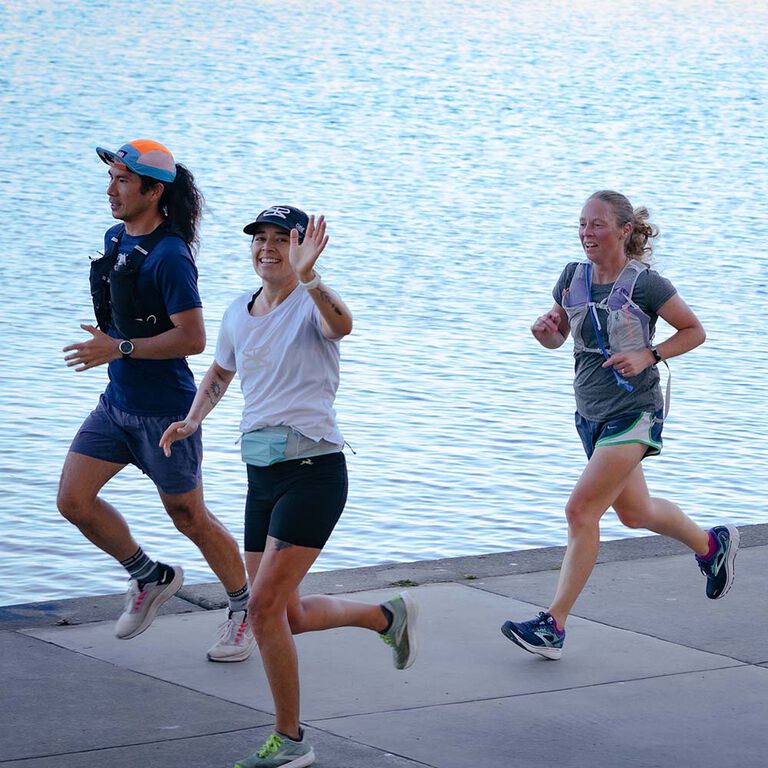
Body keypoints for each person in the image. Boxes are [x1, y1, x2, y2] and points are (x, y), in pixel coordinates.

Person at [160, 205, 417, 768]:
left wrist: (312, 277)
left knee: (263, 607)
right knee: (286, 615)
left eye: (282, 239)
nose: (268, 248)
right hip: (262, 477)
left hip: (315, 474)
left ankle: (292, 739)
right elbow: (222, 371)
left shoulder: (310, 302)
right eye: (261, 239)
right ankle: (385, 616)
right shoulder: (236, 310)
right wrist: (194, 417)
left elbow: (343, 325)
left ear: (303, 247)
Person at [501, 190, 739, 661]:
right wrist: (545, 333)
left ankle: (554, 625)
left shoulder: (647, 284)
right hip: (590, 413)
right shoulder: (572, 277)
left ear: (624, 231)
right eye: (582, 225)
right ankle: (712, 546)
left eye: (597, 225)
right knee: (636, 513)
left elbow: (695, 331)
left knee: (580, 511)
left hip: (635, 412)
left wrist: (648, 353)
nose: (587, 233)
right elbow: (559, 339)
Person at [58, 139, 254, 663]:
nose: (112, 190)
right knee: (73, 502)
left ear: (154, 190)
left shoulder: (170, 256)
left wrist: (117, 347)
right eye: (112, 179)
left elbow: (192, 338)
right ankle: (151, 576)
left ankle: (244, 608)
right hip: (116, 404)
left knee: (189, 516)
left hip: (167, 414)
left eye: (123, 180)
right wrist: (113, 348)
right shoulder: (116, 238)